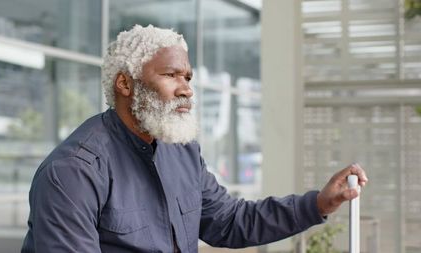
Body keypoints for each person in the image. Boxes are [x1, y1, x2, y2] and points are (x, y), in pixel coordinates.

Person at [21, 25, 368, 253]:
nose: (186, 89)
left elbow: (229, 222)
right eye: (170, 75)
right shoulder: (73, 171)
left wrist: (320, 203)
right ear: (125, 84)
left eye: (187, 76)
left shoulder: (181, 151)